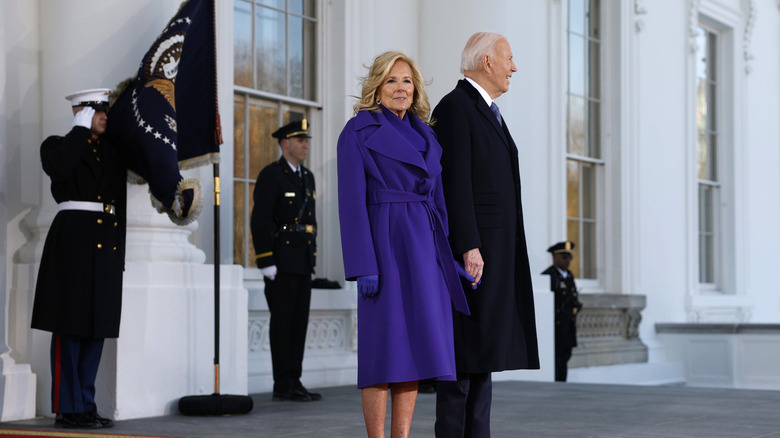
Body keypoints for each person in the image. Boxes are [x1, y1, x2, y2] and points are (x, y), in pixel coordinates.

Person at [337, 51, 473, 438]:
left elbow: (440, 202)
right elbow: (351, 203)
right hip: (386, 244)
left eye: (407, 81)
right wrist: (363, 263)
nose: (401, 88)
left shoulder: (427, 134)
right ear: (377, 87)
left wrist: (449, 257)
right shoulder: (357, 132)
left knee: (414, 350)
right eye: (392, 81)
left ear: (416, 89)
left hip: (426, 247)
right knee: (385, 349)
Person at [432, 31, 540, 437]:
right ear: (487, 62)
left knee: (484, 356)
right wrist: (467, 246)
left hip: (496, 252)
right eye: (509, 59)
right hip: (473, 256)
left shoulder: (487, 109)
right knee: (464, 357)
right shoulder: (455, 107)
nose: (514, 67)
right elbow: (453, 182)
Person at [31, 88, 126, 429]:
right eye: (97, 109)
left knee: (96, 327)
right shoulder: (58, 144)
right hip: (72, 240)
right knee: (70, 326)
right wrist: (79, 130)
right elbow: (59, 168)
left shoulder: (112, 152)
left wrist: (120, 253)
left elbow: (120, 203)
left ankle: (85, 404)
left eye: (105, 110)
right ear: (80, 111)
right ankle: (67, 407)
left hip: (104, 243)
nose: (104, 115)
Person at [250, 119, 321, 402]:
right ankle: (282, 383)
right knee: (282, 324)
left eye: (307, 140)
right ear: (285, 144)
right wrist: (265, 260)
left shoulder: (308, 177)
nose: (305, 145)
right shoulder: (272, 175)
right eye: (300, 140)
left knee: (298, 324)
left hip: (302, 262)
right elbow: (260, 219)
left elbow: (309, 222)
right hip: (280, 263)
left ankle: (295, 379)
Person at [542, 240, 583, 382]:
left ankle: (562, 383)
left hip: (568, 324)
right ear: (555, 257)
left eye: (570, 257)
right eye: (564, 257)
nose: (568, 260)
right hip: (556, 326)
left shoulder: (569, 275)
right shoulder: (549, 276)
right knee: (557, 358)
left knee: (566, 356)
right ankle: (557, 384)